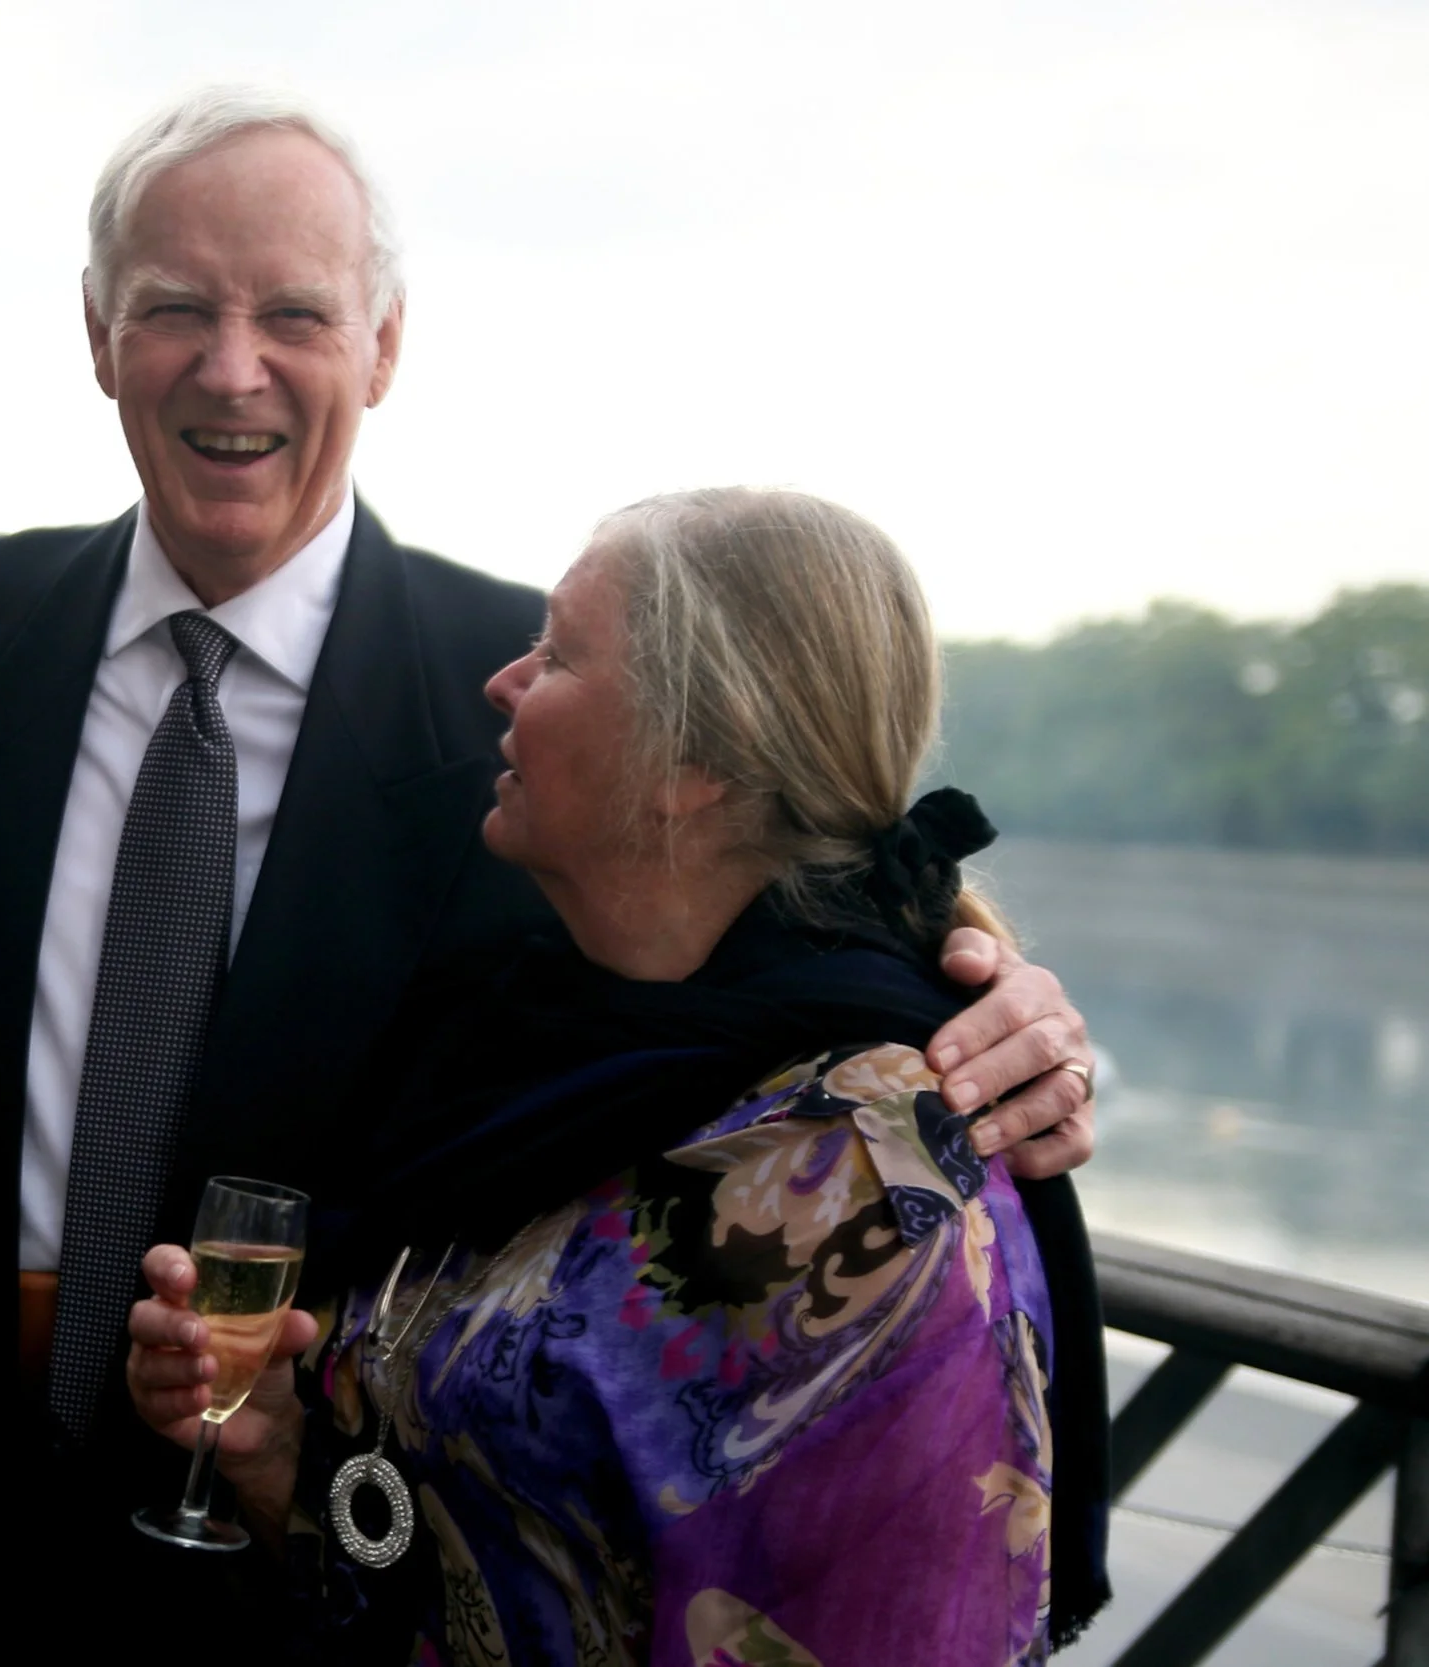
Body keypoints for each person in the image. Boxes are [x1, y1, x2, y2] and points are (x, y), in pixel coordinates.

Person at [0, 88, 1097, 1657]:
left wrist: (995, 996)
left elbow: (787, 916)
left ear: (383, 346)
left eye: (295, 312)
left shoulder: (537, 711)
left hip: (298, 1581)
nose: (234, 368)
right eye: (174, 311)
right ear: (97, 333)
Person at [127, 488, 1111, 1665]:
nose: (501, 681)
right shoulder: (526, 1029)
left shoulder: (876, 1172)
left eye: (556, 653)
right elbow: (465, 1548)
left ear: (687, 762)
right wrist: (280, 1451)